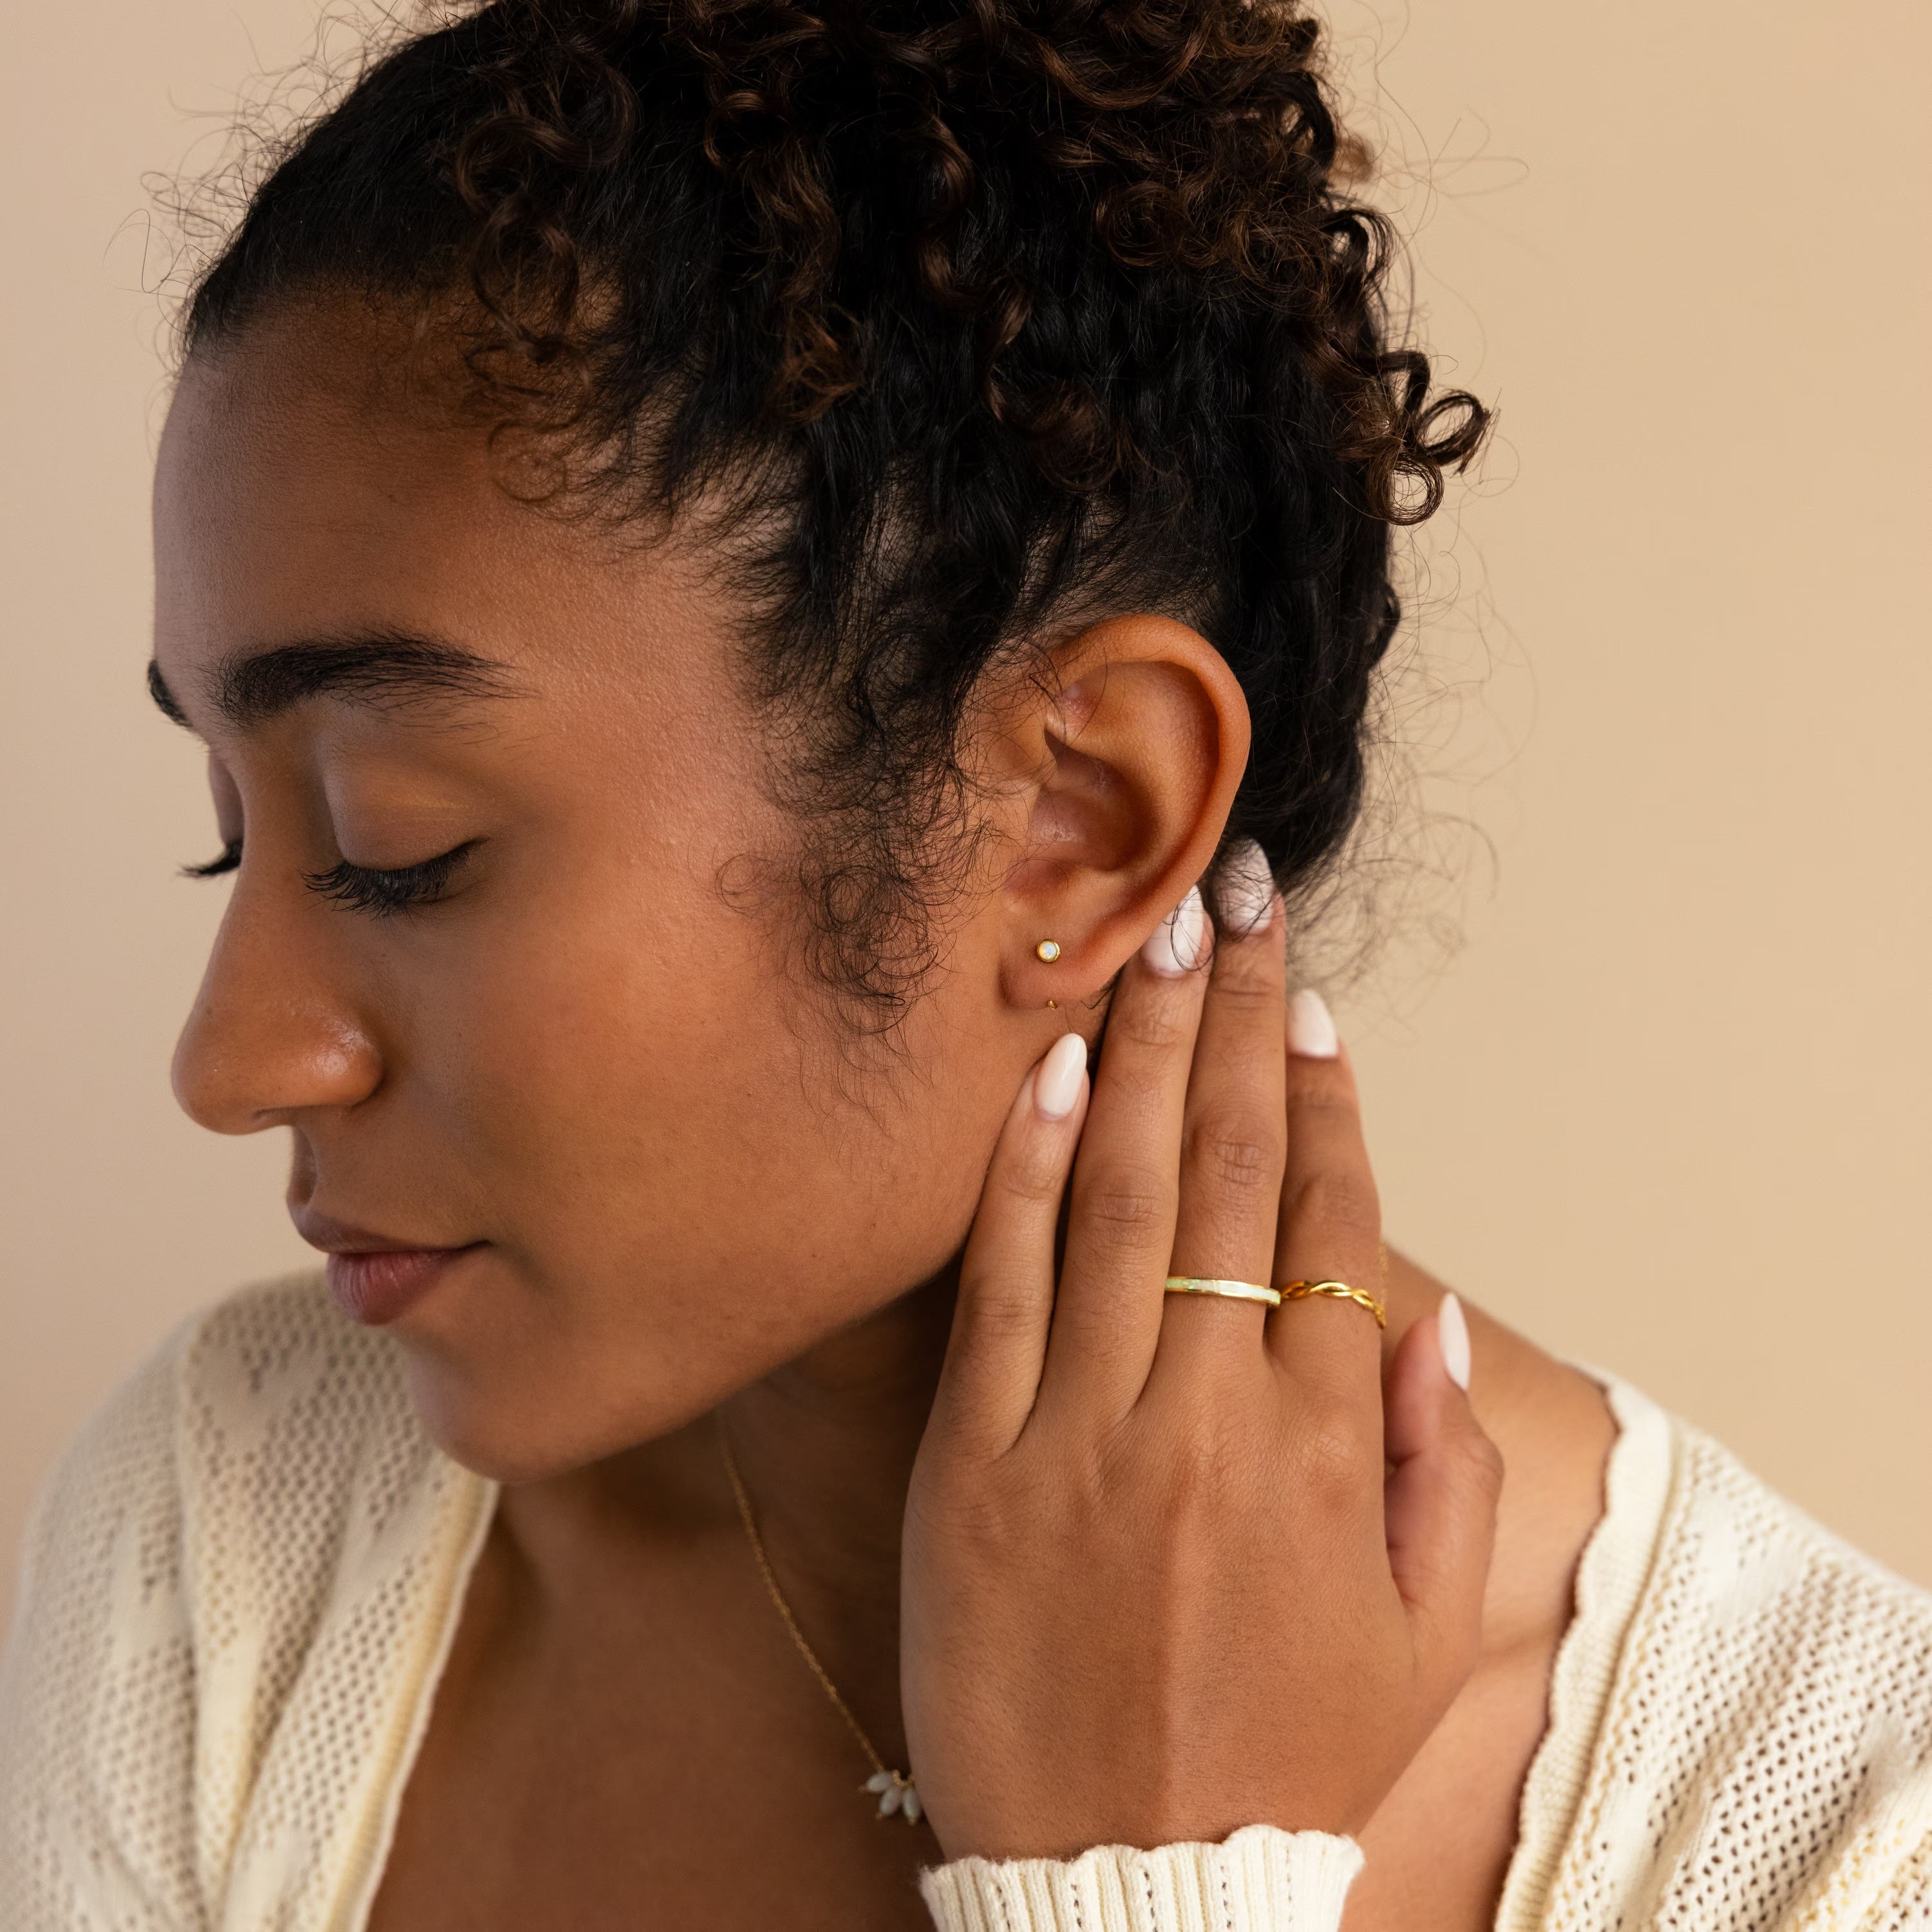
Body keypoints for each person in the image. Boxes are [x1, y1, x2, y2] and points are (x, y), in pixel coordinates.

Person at [3, 1, 1927, 1927]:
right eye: (230, 833)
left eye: (402, 844)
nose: (231, 1057)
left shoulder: (1842, 1840)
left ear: (1080, 816)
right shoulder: (230, 1547)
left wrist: (1156, 1888)